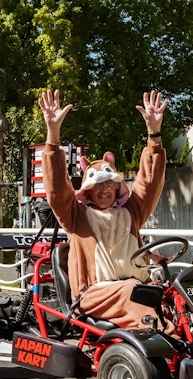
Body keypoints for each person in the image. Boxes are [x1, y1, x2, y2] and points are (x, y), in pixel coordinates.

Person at [38, 88, 168, 330]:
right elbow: (57, 189)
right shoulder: (76, 215)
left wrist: (154, 135)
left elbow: (149, 183)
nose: (104, 190)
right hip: (95, 294)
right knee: (134, 291)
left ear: (117, 186)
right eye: (97, 185)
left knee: (178, 289)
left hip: (136, 287)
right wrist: (53, 136)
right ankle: (169, 338)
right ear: (87, 190)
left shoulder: (131, 211)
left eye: (109, 183)